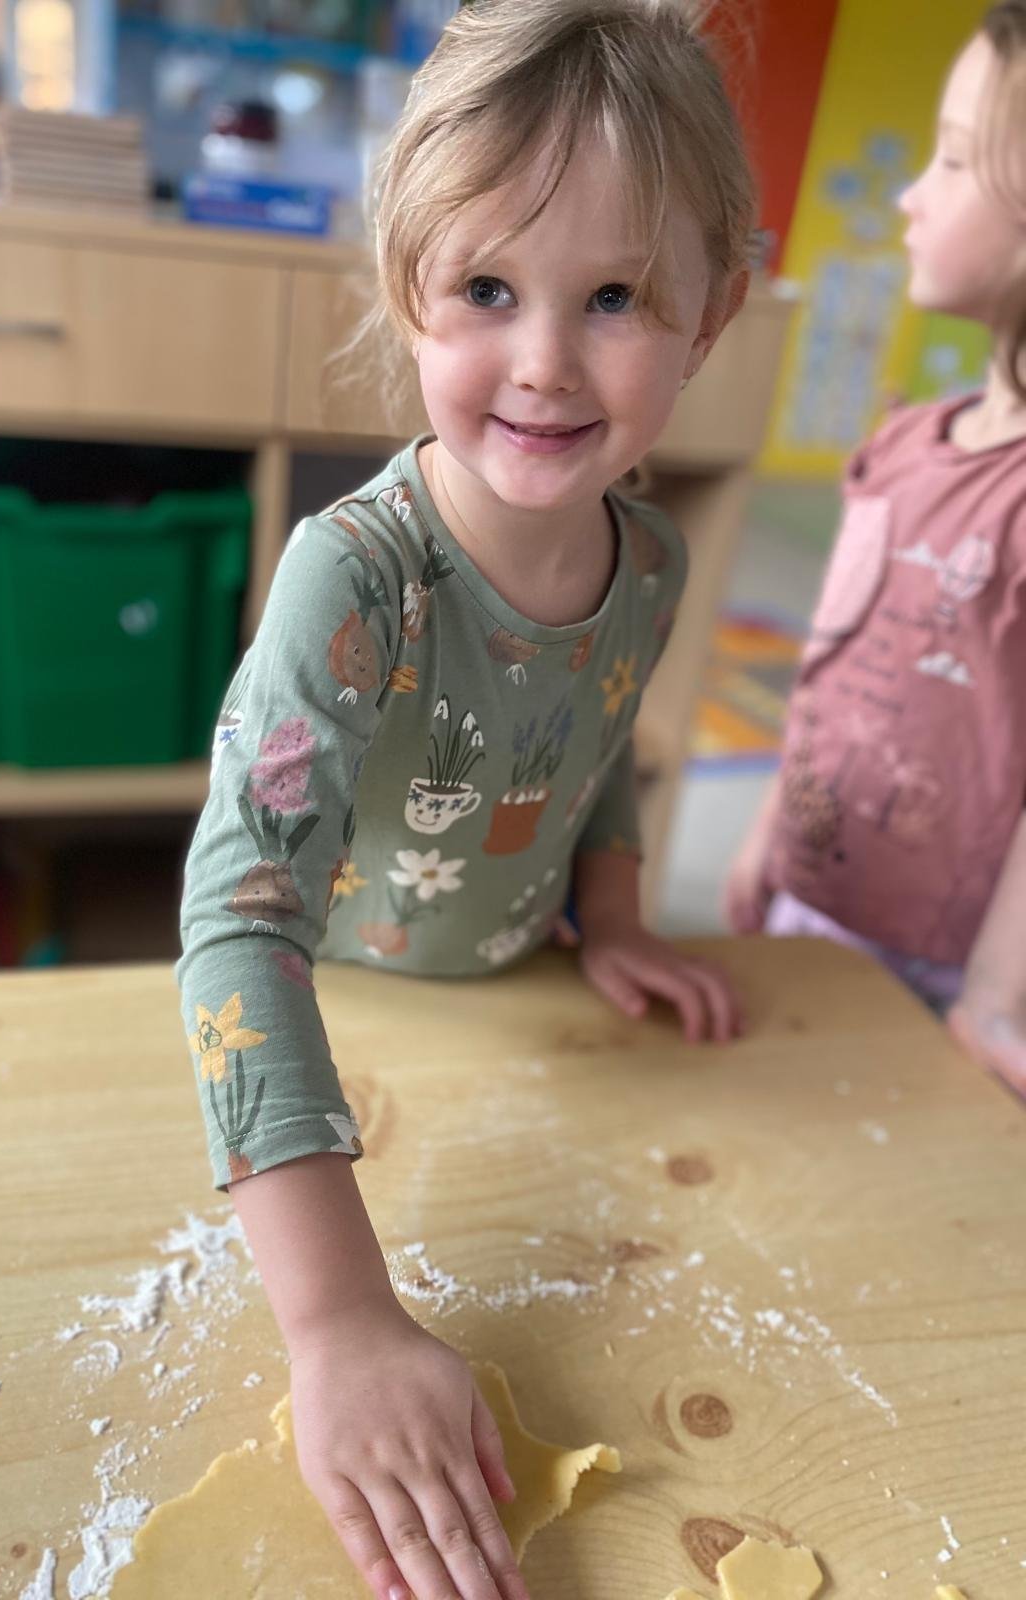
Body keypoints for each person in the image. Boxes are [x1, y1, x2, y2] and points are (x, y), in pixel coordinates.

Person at [179, 3, 754, 1596]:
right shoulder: (352, 582)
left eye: (616, 296)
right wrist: (338, 1323)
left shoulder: (656, 565)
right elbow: (236, 923)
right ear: (407, 291)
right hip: (347, 1028)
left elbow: (607, 745)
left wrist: (615, 914)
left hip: (534, 1023)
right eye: (489, 288)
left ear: (712, 315)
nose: (547, 362)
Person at [725, 1, 1026, 1096]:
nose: (911, 194)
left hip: (947, 974)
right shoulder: (900, 445)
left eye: (953, 157)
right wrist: (765, 834)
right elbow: (829, 661)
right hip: (813, 900)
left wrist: (995, 1001)